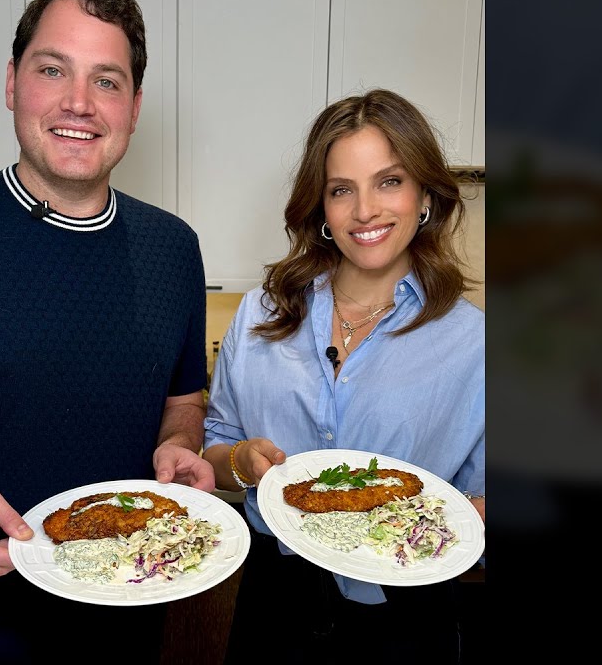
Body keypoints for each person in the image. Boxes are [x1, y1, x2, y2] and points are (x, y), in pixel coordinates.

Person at [0, 0, 214, 663]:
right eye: (52, 69)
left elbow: (183, 402)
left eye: (107, 80)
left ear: (133, 105)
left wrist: (181, 445)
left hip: (123, 610)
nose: (80, 102)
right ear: (12, 83)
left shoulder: (174, 249)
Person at [202, 89, 485, 663]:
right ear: (321, 207)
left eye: (389, 181)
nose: (365, 211)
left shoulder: (473, 343)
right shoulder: (259, 315)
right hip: (274, 602)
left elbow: (483, 498)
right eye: (341, 190)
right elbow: (215, 450)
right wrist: (240, 461)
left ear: (425, 194)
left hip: (405, 618)